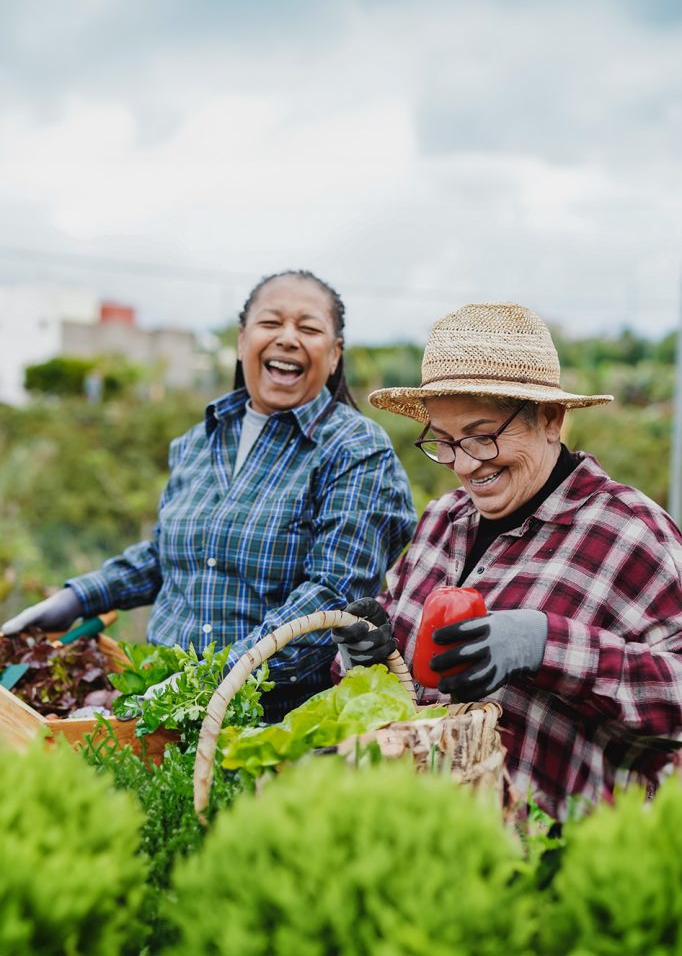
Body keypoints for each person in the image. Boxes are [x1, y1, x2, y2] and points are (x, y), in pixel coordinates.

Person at [2, 270, 416, 720]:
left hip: (267, 718)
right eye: (271, 322)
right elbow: (167, 555)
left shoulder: (355, 450)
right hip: (156, 704)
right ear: (242, 341)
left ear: (334, 355)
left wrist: (204, 684)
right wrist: (77, 599)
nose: (288, 338)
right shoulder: (199, 441)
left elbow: (331, 597)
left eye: (310, 328)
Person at [332, 301, 682, 819]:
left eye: (482, 436)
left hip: (550, 862)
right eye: (445, 441)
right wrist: (365, 662)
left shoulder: (629, 533)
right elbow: (404, 679)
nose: (465, 465)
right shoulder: (441, 521)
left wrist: (545, 644)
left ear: (550, 418)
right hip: (415, 836)